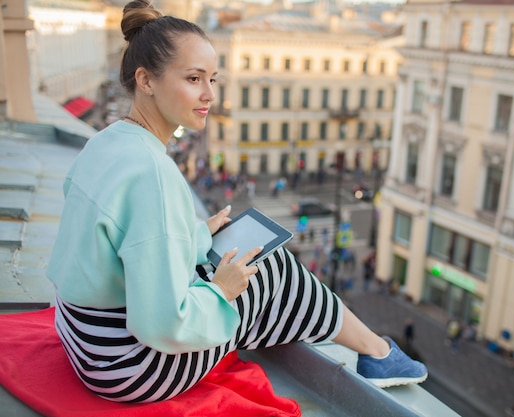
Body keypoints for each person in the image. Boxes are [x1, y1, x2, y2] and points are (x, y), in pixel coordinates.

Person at [46, 0, 428, 404]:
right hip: (127, 368)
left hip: (80, 336)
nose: (209, 94)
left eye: (213, 78)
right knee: (271, 266)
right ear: (146, 80)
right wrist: (221, 292)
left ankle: (373, 349)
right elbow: (159, 325)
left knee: (239, 258)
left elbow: (113, 247)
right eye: (194, 79)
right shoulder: (154, 174)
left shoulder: (106, 141)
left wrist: (191, 235)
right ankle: (377, 352)